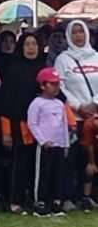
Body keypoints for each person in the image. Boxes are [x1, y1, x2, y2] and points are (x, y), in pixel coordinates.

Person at [54, 19, 98, 211]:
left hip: (95, 117)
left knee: (93, 158)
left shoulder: (96, 56)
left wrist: (94, 104)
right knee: (71, 159)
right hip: (74, 118)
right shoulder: (63, 59)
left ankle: (89, 196)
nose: (78, 36)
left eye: (81, 32)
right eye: (74, 32)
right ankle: (69, 197)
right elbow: (60, 86)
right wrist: (79, 106)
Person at [0, 33, 46, 215]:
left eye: (34, 44)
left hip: (43, 125)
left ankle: (37, 199)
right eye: (27, 44)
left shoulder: (43, 68)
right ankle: (15, 201)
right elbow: (5, 104)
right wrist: (6, 132)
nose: (31, 48)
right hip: (21, 125)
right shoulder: (14, 70)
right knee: (20, 163)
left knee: (39, 163)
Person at [28, 67, 73, 217]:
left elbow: (64, 124)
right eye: (52, 84)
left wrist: (66, 143)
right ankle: (40, 201)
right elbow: (32, 124)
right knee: (43, 173)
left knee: (57, 173)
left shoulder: (60, 104)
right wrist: (43, 141)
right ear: (42, 85)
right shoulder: (37, 103)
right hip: (46, 145)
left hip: (59, 144)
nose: (56, 87)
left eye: (57, 84)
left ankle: (56, 201)